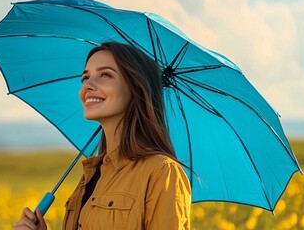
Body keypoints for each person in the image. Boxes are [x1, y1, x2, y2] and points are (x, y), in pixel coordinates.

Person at [12, 41, 192, 230]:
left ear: (136, 87)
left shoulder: (162, 172)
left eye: (105, 75)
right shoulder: (91, 175)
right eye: (85, 77)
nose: (88, 85)